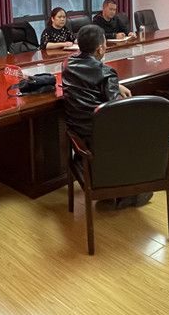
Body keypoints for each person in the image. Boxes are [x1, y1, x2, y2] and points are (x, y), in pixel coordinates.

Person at [62, 25, 151, 210]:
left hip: (78, 131)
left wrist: (115, 84)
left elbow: (89, 77)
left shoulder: (67, 65)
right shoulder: (106, 71)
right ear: (100, 49)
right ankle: (129, 192)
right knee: (139, 129)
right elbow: (117, 110)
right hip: (100, 136)